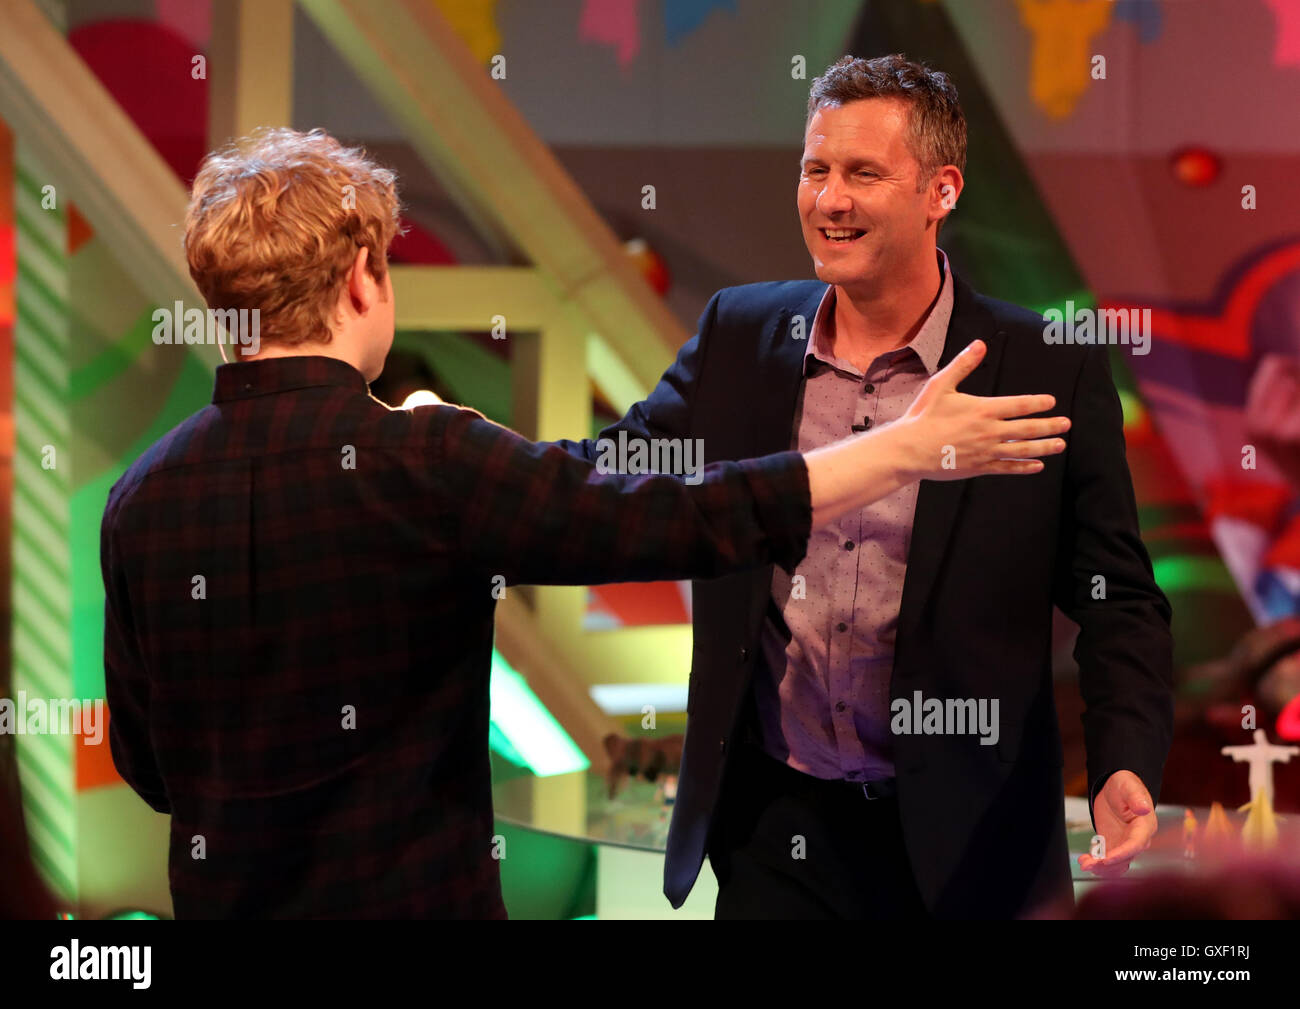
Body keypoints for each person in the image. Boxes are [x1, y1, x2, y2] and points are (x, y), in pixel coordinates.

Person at [101, 126, 1068, 919]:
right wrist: (900, 446)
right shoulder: (429, 459)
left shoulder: (138, 496)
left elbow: (148, 765)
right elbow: (675, 516)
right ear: (362, 278)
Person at [554, 54, 1174, 919]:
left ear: (941, 191)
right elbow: (618, 467)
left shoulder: (1044, 364)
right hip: (775, 827)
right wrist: (463, 453)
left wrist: (1124, 760)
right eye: (815, 169)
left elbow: (1118, 599)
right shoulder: (740, 331)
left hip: (970, 842)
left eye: (862, 174)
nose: (829, 200)